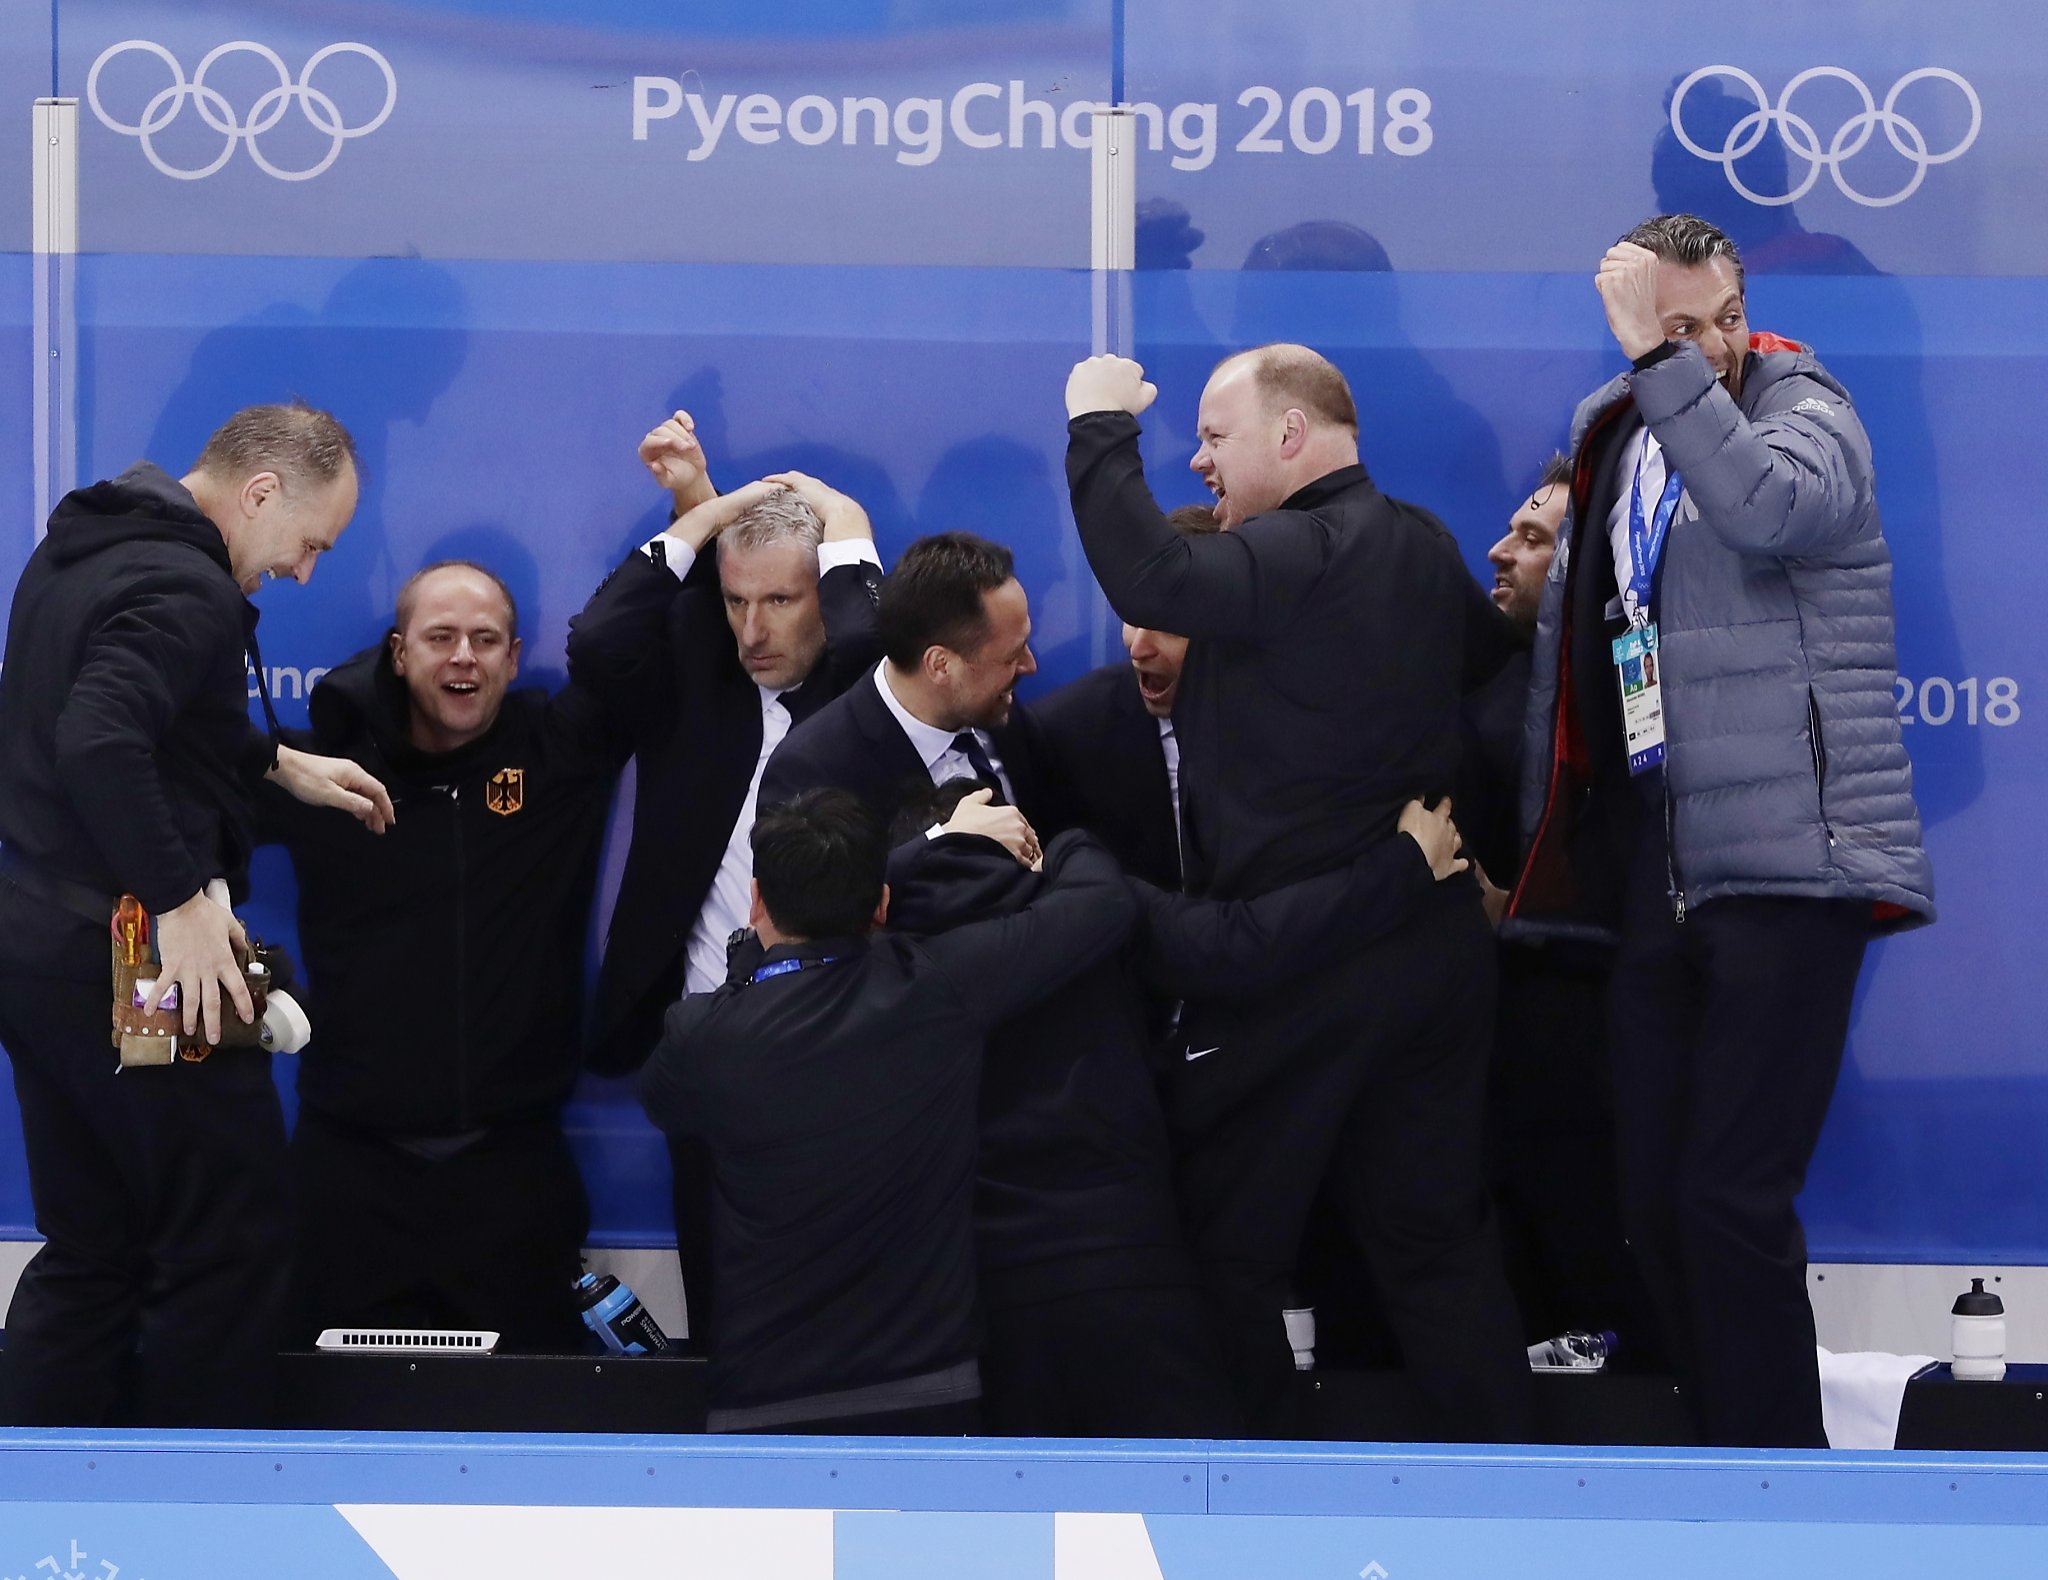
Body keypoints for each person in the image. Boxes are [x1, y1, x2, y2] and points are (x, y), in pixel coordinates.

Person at [1506, 213, 1934, 1446]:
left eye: (1709, 323)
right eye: (1668, 326)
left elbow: (1763, 507)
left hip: (1793, 862)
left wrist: (1658, 359)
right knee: (1646, 1197)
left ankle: (1776, 1487)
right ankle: (1710, 1459)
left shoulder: (1809, 413)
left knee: (1728, 1197)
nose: (1700, 347)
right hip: (1664, 860)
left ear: (1739, 318)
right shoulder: (1622, 433)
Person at [1063, 344, 1532, 1441]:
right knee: (1434, 1249)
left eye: (1216, 438)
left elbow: (1154, 579)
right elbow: (1493, 666)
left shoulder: (1298, 546)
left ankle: (1246, 1502)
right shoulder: (1418, 543)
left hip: (1298, 968)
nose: (1199, 458)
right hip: (1429, 955)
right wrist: (1468, 839)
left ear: (1288, 436)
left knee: (1215, 1243)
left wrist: (1096, 426)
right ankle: (1516, 1516)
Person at [0, 403, 392, 1426]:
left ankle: (38, 1506)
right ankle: (206, 1512)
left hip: (36, 946)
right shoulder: (187, 586)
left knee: (94, 1246)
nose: (305, 571)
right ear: (261, 492)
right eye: (310, 543)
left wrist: (273, 760)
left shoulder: (81, 549)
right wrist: (178, 900)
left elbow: (115, 718)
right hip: (131, 961)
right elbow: (99, 738)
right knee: (227, 1241)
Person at [637, 789, 1135, 1435]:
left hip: (760, 1403)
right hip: (928, 1396)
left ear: (756, 899)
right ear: (882, 905)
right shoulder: (936, 985)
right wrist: (1055, 840)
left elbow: (663, 1103)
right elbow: (1103, 904)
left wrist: (743, 972)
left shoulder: (702, 1035)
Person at [565, 412, 883, 1348]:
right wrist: (696, 521)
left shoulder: (865, 699)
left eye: (781, 602)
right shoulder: (694, 686)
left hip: (846, 1051)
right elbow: (598, 644)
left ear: (825, 590)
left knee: (843, 1298)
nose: (753, 629)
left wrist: (848, 520)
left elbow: (872, 638)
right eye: (737, 602)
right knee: (717, 1294)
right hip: (711, 1044)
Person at [262, 559, 637, 1351]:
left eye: (485, 639)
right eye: (440, 638)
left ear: (512, 655)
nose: (463, 655)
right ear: (399, 654)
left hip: (511, 1173)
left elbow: (626, 645)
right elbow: (159, 771)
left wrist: (694, 512)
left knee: (531, 1451)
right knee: (319, 1438)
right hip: (348, 1174)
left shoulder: (555, 755)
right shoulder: (322, 774)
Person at [884, 779, 1240, 1438]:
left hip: (988, 1297)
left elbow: (818, 893)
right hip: (1129, 1263)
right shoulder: (1089, 905)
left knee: (1014, 1534)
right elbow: (1220, 944)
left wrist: (930, 849)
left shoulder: (888, 961)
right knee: (1199, 1517)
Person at [759, 531, 1048, 833]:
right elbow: (811, 880)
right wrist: (941, 840)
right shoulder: (809, 774)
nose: (1030, 666)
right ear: (940, 665)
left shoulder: (1001, 711)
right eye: (1011, 656)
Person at [1031, 503, 1219, 889]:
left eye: (1166, 625)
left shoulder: (1296, 716)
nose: (1137, 647)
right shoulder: (1067, 732)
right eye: (1132, 616)